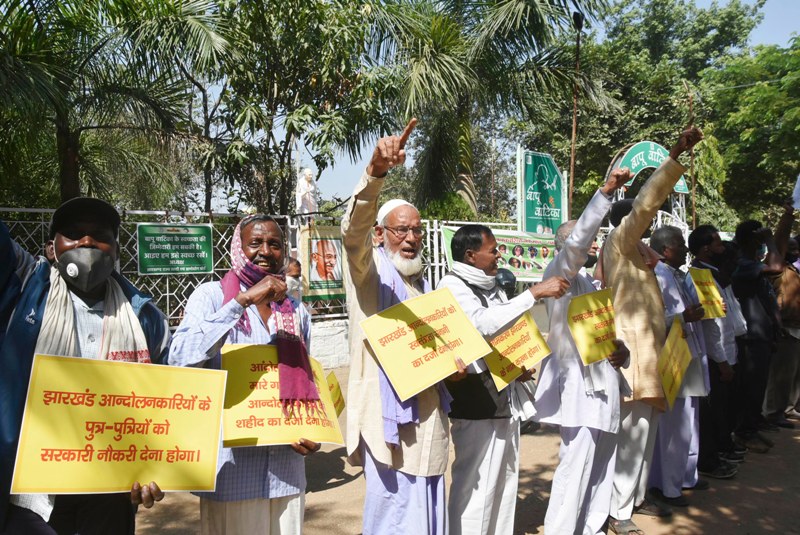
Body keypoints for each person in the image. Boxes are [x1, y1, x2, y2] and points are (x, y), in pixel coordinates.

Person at [0, 197, 169, 534]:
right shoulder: (24, 286)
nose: (87, 242)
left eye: (100, 235)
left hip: (110, 493)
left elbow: (163, 411)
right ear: (52, 248)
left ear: (116, 251)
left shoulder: (147, 319)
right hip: (31, 500)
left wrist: (156, 471)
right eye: (74, 233)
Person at [341, 118, 460, 534]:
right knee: (394, 512)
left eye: (416, 230)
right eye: (400, 230)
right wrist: (374, 175)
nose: (410, 238)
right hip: (389, 419)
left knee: (426, 506)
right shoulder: (368, 273)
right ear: (380, 233)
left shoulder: (421, 283)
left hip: (427, 412)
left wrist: (453, 361)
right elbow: (352, 234)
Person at [169, 214, 320, 535]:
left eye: (275, 244)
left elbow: (308, 380)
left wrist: (313, 428)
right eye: (256, 243)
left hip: (287, 473)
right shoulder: (211, 297)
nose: (265, 251)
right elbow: (179, 357)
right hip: (232, 472)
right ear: (238, 249)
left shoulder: (296, 311)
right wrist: (243, 301)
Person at [600, 127, 704, 534]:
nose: (648, 223)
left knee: (644, 437)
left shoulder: (642, 253)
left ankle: (631, 502)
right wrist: (675, 156)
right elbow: (645, 204)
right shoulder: (621, 243)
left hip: (652, 357)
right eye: (641, 221)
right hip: (632, 359)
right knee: (631, 439)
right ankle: (618, 513)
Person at [437, 225, 569, 535]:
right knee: (476, 480)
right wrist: (533, 293)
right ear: (471, 255)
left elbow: (501, 332)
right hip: (474, 395)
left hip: (504, 390)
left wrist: (516, 365)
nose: (499, 255)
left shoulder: (492, 284)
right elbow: (481, 325)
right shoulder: (451, 285)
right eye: (493, 250)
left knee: (505, 477)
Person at [533, 168, 632, 535]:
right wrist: (606, 192)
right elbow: (577, 244)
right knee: (575, 469)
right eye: (590, 240)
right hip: (579, 392)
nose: (594, 245)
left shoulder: (589, 283)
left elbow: (604, 334)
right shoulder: (558, 272)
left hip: (605, 385)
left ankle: (590, 528)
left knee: (601, 468)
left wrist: (621, 353)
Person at [646, 226, 711, 508]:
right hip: (672, 353)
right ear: (666, 249)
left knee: (689, 419)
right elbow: (654, 318)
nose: (686, 248)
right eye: (680, 244)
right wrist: (682, 317)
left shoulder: (678, 274)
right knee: (674, 424)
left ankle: (686, 476)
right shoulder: (658, 276)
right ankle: (668, 486)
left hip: (689, 351)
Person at [687, 227, 744, 476]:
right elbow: (711, 326)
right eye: (719, 243)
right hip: (713, 356)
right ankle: (709, 460)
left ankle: (721, 449)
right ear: (706, 249)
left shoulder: (717, 274)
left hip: (725, 352)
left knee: (723, 408)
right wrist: (721, 361)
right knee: (712, 411)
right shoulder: (700, 277)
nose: (724, 247)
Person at [731, 218, 783, 453]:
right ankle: (744, 432)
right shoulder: (742, 264)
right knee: (750, 387)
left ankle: (751, 426)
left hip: (762, 334)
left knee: (758, 386)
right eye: (760, 241)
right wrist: (770, 241)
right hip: (751, 335)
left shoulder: (751, 263)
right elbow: (776, 267)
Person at [764, 203, 800, 429]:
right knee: (781, 374)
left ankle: (788, 407)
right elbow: (779, 242)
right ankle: (773, 412)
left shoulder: (795, 270)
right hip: (785, 327)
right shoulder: (779, 271)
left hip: (796, 326)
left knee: (793, 374)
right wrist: (787, 217)